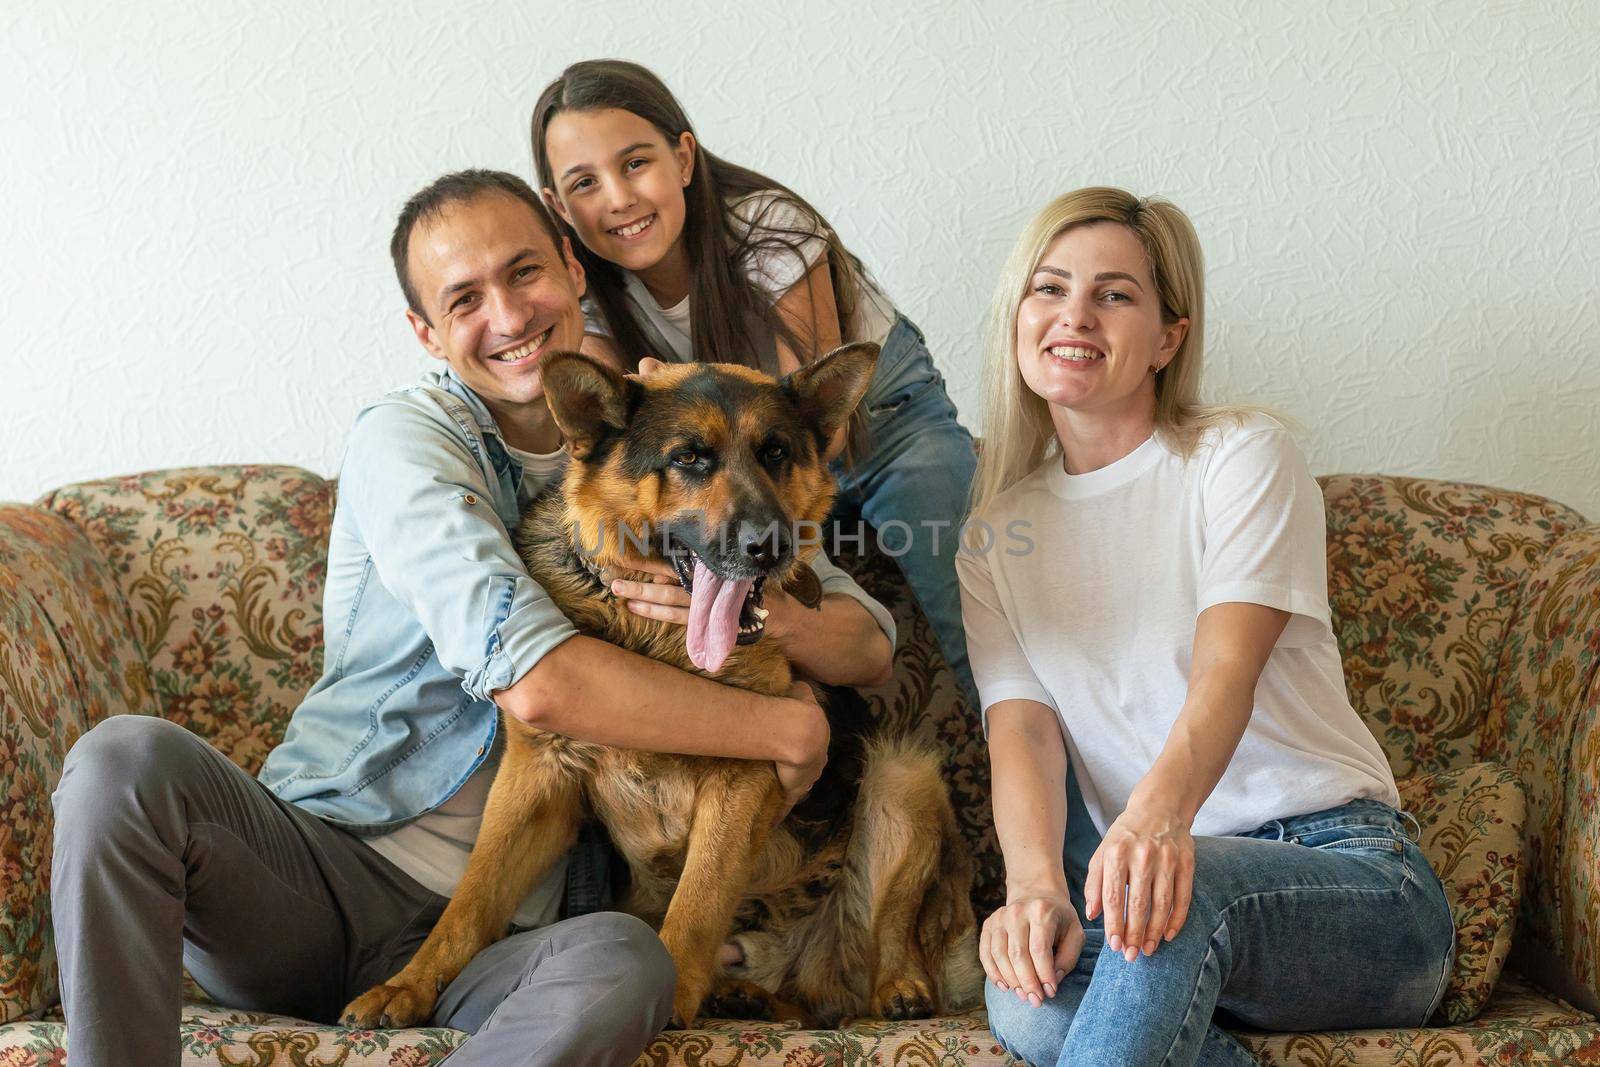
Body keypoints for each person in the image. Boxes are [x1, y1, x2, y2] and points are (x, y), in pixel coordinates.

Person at [50, 169, 895, 1066]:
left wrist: (784, 629)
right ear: (427, 332)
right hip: (320, 870)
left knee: (629, 961)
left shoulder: (659, 430)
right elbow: (539, 685)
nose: (509, 314)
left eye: (525, 271)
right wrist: (783, 727)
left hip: (510, 941)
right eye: (464, 298)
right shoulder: (409, 439)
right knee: (123, 758)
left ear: (574, 269)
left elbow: (862, 630)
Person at [957, 187, 1456, 1066]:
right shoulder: (998, 532)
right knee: (1026, 994)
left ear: (1167, 337)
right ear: (1017, 314)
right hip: (1158, 899)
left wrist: (1155, 824)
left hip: (1352, 881)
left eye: (1115, 294)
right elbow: (1023, 731)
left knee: (1179, 893)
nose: (1075, 313)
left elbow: (1225, 671)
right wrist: (1034, 889)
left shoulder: (1241, 456)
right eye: (1049, 287)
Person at [528, 59, 979, 704]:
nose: (618, 198)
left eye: (635, 164)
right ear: (558, 207)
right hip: (750, 467)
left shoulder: (768, 227)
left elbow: (806, 416)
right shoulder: (589, 304)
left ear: (683, 159)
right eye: (585, 183)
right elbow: (616, 436)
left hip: (876, 424)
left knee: (973, 618)